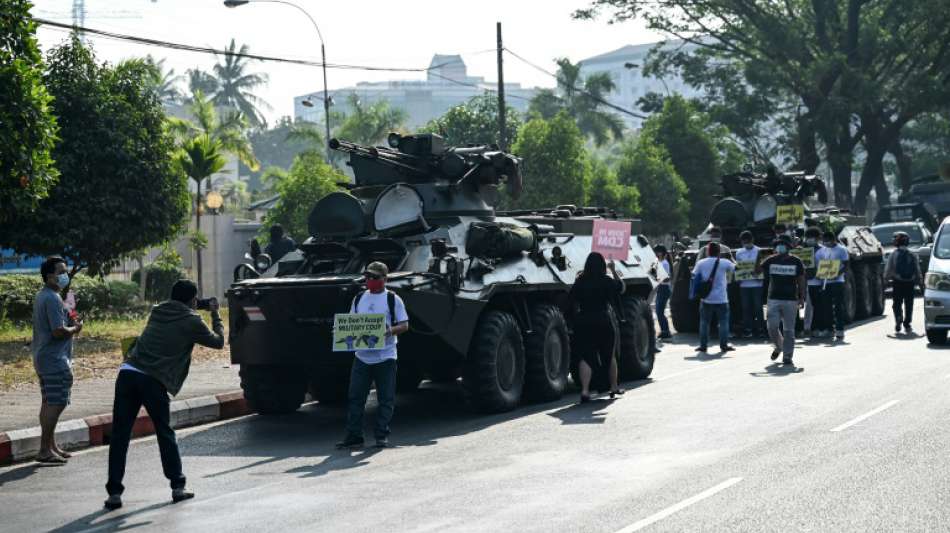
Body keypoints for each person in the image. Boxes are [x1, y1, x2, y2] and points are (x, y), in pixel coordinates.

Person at [104, 279, 225, 511]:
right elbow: (218, 343)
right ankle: (178, 486)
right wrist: (216, 315)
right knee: (164, 432)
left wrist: (195, 304)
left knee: (120, 435)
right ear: (192, 300)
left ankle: (114, 494)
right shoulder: (192, 321)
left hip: (128, 373)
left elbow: (178, 308)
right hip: (153, 380)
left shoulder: (158, 311)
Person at [337, 262, 409, 449]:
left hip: (385, 356)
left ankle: (381, 435)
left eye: (374, 277)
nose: (370, 280)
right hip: (362, 356)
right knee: (355, 397)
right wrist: (341, 333)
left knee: (385, 398)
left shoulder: (393, 299)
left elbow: (404, 325)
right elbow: (352, 322)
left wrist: (389, 331)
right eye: (367, 277)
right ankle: (354, 435)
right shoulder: (359, 298)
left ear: (385, 279)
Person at [32, 256, 82, 465]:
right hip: (54, 360)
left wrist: (71, 317)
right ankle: (44, 449)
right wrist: (76, 329)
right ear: (49, 276)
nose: (65, 275)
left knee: (48, 402)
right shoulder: (52, 298)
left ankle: (51, 446)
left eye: (66, 271)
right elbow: (58, 331)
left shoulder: (47, 295)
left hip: (44, 358)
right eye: (61, 272)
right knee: (57, 402)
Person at [569, 252, 626, 403]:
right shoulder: (606, 280)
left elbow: (572, 297)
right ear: (602, 265)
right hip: (603, 320)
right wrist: (613, 270)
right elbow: (621, 288)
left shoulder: (580, 281)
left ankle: (585, 391)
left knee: (585, 356)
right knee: (609, 354)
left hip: (584, 321)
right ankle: (613, 387)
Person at [760, 236, 807, 365]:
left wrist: (802, 297)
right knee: (772, 327)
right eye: (778, 245)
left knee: (789, 330)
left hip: (791, 299)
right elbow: (757, 271)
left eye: (783, 245)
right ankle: (779, 346)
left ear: (788, 247)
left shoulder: (796, 261)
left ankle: (787, 356)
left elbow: (801, 280)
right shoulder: (770, 260)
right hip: (773, 298)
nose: (780, 247)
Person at [691, 242, 736, 354]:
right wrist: (731, 258)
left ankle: (703, 345)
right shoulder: (724, 262)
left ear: (708, 251)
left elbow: (694, 276)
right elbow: (737, 268)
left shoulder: (701, 263)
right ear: (719, 252)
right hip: (721, 298)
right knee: (723, 322)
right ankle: (724, 345)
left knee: (704, 322)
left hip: (706, 298)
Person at [885, 231, 925, 334]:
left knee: (897, 303)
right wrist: (920, 283)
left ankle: (898, 317)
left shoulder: (893, 254)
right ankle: (907, 322)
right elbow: (917, 270)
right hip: (910, 283)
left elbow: (888, 269)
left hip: (897, 282)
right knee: (909, 303)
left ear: (896, 242)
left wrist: (885, 280)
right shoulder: (913, 254)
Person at [815, 230, 850, 340]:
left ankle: (840, 330)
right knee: (826, 306)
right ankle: (829, 329)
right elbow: (818, 264)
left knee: (838, 306)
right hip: (825, 282)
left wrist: (838, 274)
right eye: (824, 241)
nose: (826, 243)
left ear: (833, 239)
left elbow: (846, 265)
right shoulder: (822, 250)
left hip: (838, 282)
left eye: (828, 241)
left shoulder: (841, 250)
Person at [735, 231, 765, 338]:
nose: (746, 243)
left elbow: (763, 266)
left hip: (757, 284)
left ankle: (761, 329)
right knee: (746, 308)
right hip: (744, 284)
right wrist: (738, 278)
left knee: (758, 307)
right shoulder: (739, 253)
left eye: (748, 241)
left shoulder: (759, 251)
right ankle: (748, 329)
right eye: (744, 241)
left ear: (752, 240)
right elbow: (738, 268)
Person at [802, 227, 823, 337]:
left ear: (817, 238)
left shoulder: (822, 250)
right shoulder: (803, 251)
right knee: (809, 307)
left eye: (812, 237)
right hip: (809, 282)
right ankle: (807, 328)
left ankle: (819, 327)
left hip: (821, 282)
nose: (809, 240)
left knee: (820, 307)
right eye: (808, 237)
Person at [654, 245, 673, 339]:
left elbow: (666, 278)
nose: (656, 253)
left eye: (658, 252)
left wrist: (657, 279)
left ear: (662, 253)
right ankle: (664, 330)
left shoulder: (664, 263)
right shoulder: (659, 262)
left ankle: (666, 331)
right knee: (659, 311)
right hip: (662, 288)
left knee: (659, 311)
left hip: (664, 288)